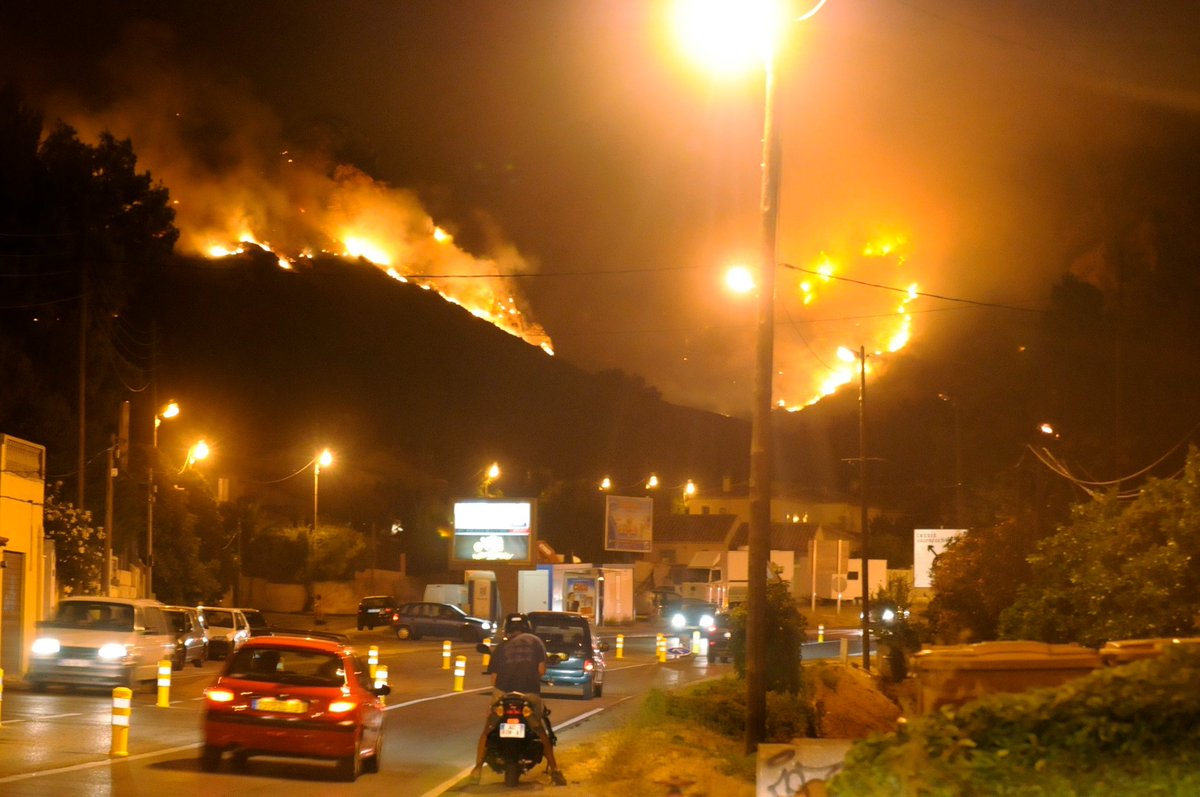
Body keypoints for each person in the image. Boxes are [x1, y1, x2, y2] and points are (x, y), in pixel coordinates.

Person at [469, 616, 565, 786]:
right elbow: (541, 670)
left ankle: (477, 771)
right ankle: (555, 771)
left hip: (503, 694)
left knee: (487, 730)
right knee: (541, 731)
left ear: (507, 629)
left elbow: (494, 680)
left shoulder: (500, 647)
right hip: (529, 694)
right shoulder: (536, 642)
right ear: (526, 627)